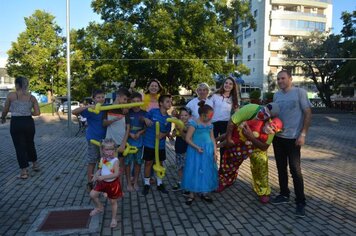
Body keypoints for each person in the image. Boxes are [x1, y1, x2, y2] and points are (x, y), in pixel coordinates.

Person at [271, 70, 312, 217]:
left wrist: (303, 134)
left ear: (290, 78)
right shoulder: (276, 95)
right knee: (281, 168)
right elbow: (274, 114)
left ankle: (300, 202)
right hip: (278, 137)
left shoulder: (299, 92)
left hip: (294, 138)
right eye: (278, 79)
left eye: (283, 78)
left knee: (295, 170)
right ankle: (284, 194)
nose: (280, 81)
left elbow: (308, 113)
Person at [1, 77, 40, 179]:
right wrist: (27, 112)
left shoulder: (11, 95)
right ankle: (35, 164)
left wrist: (3, 118)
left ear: (17, 84)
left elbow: (5, 109)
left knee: (19, 146)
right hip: (28, 122)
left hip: (16, 123)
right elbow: (37, 113)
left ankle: (24, 172)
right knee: (30, 143)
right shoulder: (32, 97)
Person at [181, 101, 218, 205]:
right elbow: (188, 139)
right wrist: (197, 147)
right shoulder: (194, 123)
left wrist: (215, 152)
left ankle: (204, 192)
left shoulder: (210, 124)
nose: (210, 118)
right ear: (202, 115)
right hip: (195, 150)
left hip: (207, 150)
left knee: (206, 169)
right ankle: (191, 194)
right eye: (208, 116)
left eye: (211, 116)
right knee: (194, 169)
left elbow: (212, 138)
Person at [72, 89, 107, 191]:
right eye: (98, 97)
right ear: (94, 99)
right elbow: (74, 112)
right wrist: (87, 106)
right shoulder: (90, 109)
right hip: (93, 139)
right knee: (92, 161)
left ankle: (101, 181)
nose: (101, 99)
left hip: (105, 139)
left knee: (103, 162)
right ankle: (90, 182)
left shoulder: (107, 107)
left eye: (102, 97)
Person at [142, 95, 172, 195]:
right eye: (167, 101)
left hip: (160, 146)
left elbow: (167, 132)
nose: (170, 103)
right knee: (148, 163)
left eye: (170, 102)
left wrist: (163, 134)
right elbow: (143, 118)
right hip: (149, 143)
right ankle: (146, 184)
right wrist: (145, 120)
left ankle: (160, 184)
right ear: (161, 103)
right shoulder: (153, 111)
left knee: (160, 164)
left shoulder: (168, 118)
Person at [89, 138, 123, 228]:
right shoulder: (102, 158)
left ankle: (114, 218)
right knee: (92, 194)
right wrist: (95, 176)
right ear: (102, 150)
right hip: (102, 182)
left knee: (112, 202)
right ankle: (100, 207)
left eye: (111, 149)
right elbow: (100, 169)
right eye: (107, 149)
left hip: (113, 184)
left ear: (114, 149)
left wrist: (103, 177)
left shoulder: (115, 161)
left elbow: (116, 174)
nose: (109, 151)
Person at [103, 87, 131, 190]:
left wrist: (123, 143)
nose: (126, 102)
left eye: (127, 100)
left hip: (121, 143)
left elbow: (128, 128)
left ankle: (118, 186)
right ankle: (107, 187)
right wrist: (113, 120)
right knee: (107, 165)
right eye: (124, 99)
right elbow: (104, 123)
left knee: (120, 165)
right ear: (118, 97)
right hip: (109, 143)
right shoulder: (108, 108)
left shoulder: (125, 110)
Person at [210, 77, 239, 166]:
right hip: (213, 124)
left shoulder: (234, 98)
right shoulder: (215, 96)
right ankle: (211, 168)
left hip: (226, 124)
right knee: (211, 146)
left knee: (224, 148)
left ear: (233, 86)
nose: (228, 85)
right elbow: (208, 109)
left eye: (230, 84)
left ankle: (223, 170)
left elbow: (238, 113)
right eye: (226, 83)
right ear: (223, 84)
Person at [126, 92, 146, 191]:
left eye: (138, 101)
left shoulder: (144, 113)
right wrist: (130, 134)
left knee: (138, 163)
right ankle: (129, 182)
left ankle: (136, 181)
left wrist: (139, 133)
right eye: (133, 101)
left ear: (141, 101)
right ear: (130, 102)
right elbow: (123, 126)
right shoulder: (127, 112)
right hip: (128, 143)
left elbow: (146, 128)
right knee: (128, 163)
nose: (135, 103)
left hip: (139, 142)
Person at [171, 107, 191, 193]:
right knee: (179, 167)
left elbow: (185, 137)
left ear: (189, 116)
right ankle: (181, 182)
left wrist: (180, 129)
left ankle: (187, 184)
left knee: (187, 167)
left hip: (187, 149)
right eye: (182, 115)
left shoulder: (190, 126)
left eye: (186, 115)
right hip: (178, 148)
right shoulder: (178, 124)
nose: (183, 117)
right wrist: (173, 133)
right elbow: (173, 135)